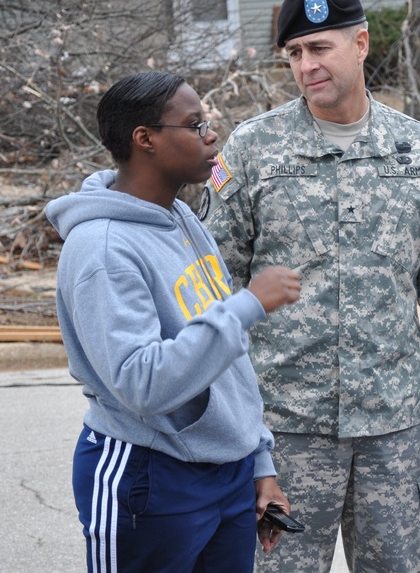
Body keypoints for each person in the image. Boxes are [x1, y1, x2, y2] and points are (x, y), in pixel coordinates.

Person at [200, 0, 420, 572]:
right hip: (283, 427)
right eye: (295, 54)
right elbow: (212, 287)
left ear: (360, 44)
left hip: (393, 425)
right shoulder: (254, 150)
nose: (307, 66)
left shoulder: (419, 153)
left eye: (320, 49)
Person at [45, 71, 302, 572]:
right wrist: (248, 303)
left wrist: (259, 460)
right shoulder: (102, 248)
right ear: (146, 139)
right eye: (195, 124)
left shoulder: (182, 220)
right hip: (148, 473)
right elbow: (141, 383)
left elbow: (227, 363)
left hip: (226, 475)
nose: (212, 136)